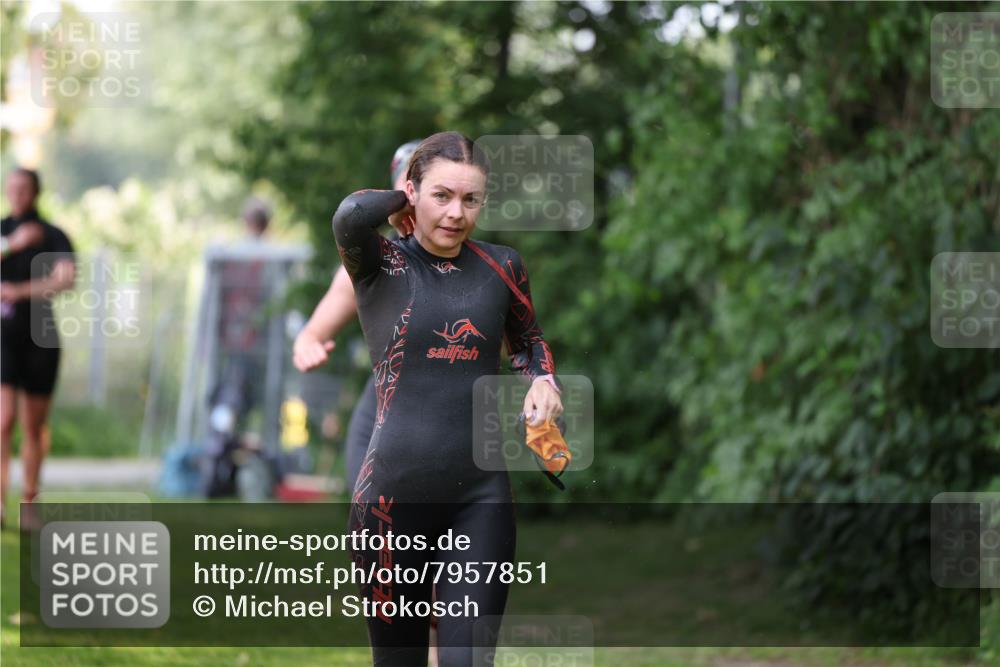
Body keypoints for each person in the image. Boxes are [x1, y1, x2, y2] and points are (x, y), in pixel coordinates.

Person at [332, 132, 562, 666]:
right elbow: (350, 215)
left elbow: (528, 342)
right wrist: (403, 201)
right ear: (412, 192)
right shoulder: (381, 264)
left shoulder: (502, 266)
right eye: (442, 195)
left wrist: (543, 381)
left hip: (480, 500)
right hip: (389, 505)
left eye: (471, 199)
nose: (457, 213)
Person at [294, 140, 421, 493]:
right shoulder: (374, 262)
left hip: (451, 428)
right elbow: (311, 334)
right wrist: (307, 345)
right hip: (381, 421)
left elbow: (518, 347)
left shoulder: (484, 267)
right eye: (412, 186)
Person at [0, 168, 76, 530]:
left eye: (24, 188)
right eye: (12, 187)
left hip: (40, 338)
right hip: (3, 337)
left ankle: (30, 501)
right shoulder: (4, 231)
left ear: (35, 192)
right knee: (3, 421)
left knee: (34, 426)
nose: (17, 194)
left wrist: (20, 291)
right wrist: (14, 244)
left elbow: (65, 279)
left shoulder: (53, 235)